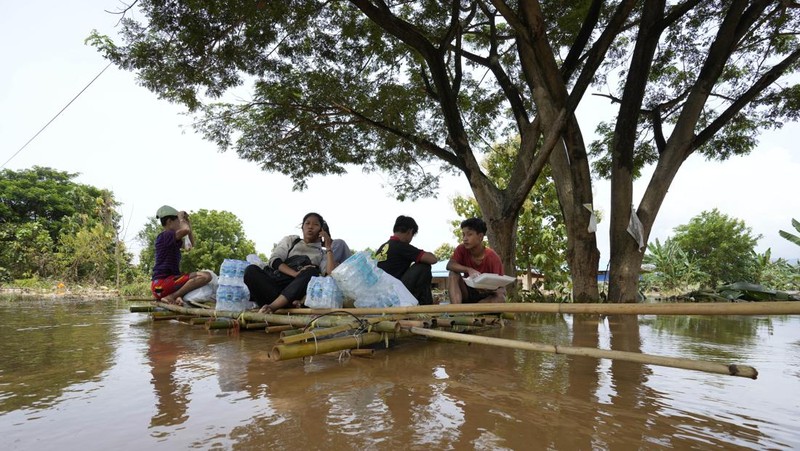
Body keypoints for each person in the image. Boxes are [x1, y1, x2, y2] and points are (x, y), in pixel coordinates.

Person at [244, 212, 339, 313]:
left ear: (321, 231)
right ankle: (284, 304)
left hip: (295, 291)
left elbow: (330, 274)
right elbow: (274, 260)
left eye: (315, 225)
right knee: (251, 270)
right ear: (302, 227)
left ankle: (273, 307)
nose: (310, 227)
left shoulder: (322, 254)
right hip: (275, 287)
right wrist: (295, 273)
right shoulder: (291, 240)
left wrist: (329, 248)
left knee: (312, 271)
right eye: (307, 223)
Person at [151, 205, 212, 306]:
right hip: (161, 285)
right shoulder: (166, 235)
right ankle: (172, 296)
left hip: (163, 286)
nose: (180, 224)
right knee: (206, 276)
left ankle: (176, 296)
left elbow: (190, 246)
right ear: (169, 222)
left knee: (199, 276)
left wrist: (188, 223)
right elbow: (185, 230)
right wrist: (181, 218)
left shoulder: (171, 238)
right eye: (177, 222)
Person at [374, 215, 438, 305]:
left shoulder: (383, 247)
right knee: (423, 266)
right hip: (394, 294)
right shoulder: (401, 246)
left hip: (380, 294)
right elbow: (432, 259)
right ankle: (425, 304)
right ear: (410, 231)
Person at [446, 217, 506, 304]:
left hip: (486, 297)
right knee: (453, 273)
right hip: (467, 293)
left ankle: (474, 310)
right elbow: (450, 265)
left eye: (469, 234)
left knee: (501, 298)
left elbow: (501, 288)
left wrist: (487, 289)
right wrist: (468, 269)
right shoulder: (461, 249)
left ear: (480, 237)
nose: (465, 238)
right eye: (463, 235)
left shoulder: (492, 257)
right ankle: (456, 310)